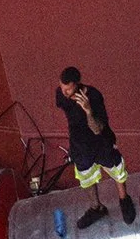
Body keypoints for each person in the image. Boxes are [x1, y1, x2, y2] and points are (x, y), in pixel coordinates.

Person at [55, 66, 135, 228]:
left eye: (68, 89)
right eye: (62, 88)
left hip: (101, 143)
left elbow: (97, 129)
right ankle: (96, 207)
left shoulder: (94, 96)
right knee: (86, 178)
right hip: (80, 146)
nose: (64, 93)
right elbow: (64, 106)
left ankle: (124, 199)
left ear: (77, 85)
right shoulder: (61, 95)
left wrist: (88, 111)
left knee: (117, 171)